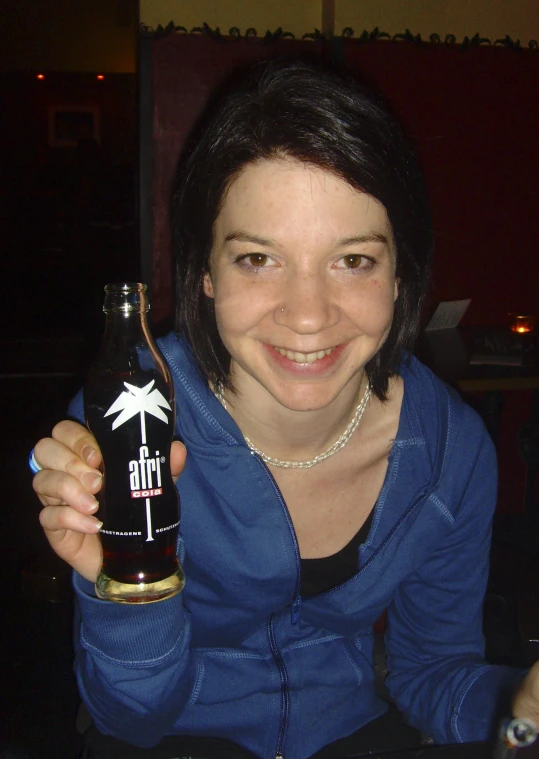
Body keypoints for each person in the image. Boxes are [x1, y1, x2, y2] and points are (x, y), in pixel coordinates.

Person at [31, 60, 539, 759]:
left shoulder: (450, 451)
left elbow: (431, 674)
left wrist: (518, 712)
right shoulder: (136, 420)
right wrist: (128, 591)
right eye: (257, 259)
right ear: (204, 272)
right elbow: (134, 719)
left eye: (353, 260)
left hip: (351, 729)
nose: (307, 316)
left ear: (401, 274)